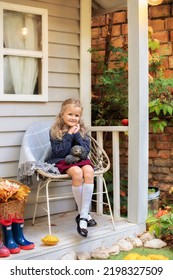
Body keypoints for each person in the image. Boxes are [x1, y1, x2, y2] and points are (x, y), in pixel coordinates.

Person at [48, 98, 97, 237]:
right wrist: (69, 134)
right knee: (77, 173)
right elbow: (60, 152)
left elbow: (85, 151)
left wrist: (76, 134)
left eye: (77, 115)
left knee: (89, 171)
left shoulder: (81, 130)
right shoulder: (55, 131)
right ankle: (84, 217)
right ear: (62, 114)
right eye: (70, 114)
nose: (73, 118)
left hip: (79, 159)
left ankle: (82, 215)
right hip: (62, 160)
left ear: (80, 117)